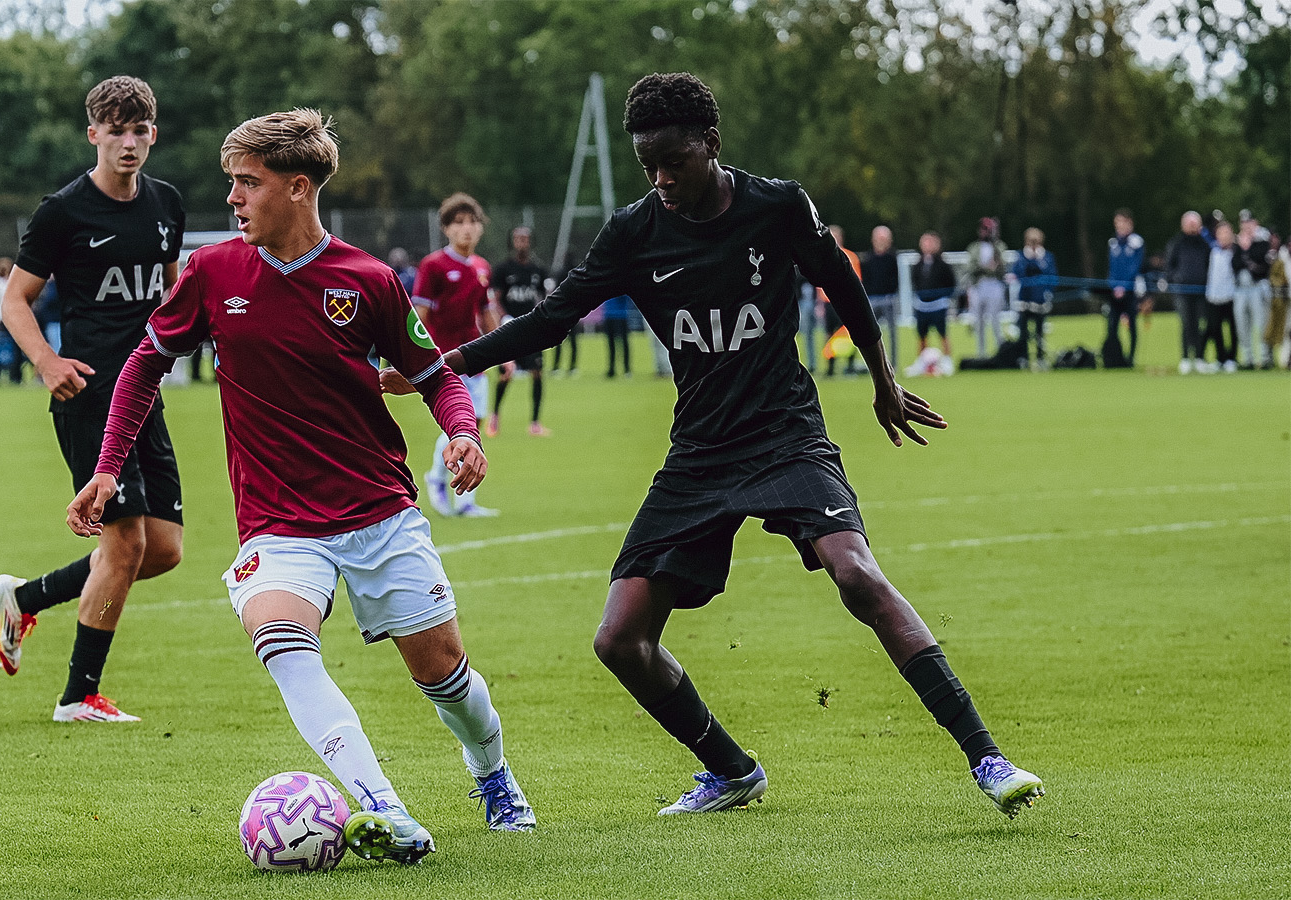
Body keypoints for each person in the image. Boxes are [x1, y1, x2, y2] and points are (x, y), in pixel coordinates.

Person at [387, 73, 1041, 819]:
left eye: (674, 162)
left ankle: (988, 757)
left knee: (856, 573)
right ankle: (730, 771)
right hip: (699, 451)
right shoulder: (635, 231)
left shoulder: (777, 205)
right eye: (648, 167)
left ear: (712, 145)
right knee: (620, 640)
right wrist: (445, 367)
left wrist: (883, 381)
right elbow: (553, 316)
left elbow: (843, 287)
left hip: (784, 432)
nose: (661, 180)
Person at [69, 108, 535, 863]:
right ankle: (385, 808)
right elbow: (145, 363)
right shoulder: (214, 273)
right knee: (283, 642)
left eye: (246, 183)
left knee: (445, 677)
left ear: (296, 187)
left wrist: (463, 432)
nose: (233, 199)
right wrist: (108, 465)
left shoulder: (368, 281)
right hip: (278, 525)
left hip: (379, 515)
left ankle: (494, 776)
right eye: (231, 184)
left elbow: (433, 375)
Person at [0, 75, 187, 723]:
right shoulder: (63, 212)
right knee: (125, 543)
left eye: (139, 131)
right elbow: (16, 301)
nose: (128, 143)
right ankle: (79, 695)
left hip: (145, 393)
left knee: (162, 549)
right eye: (115, 130)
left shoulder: (166, 205)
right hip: (90, 395)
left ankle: (25, 599)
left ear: (153, 135)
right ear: (93, 133)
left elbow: (172, 293)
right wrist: (45, 362)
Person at [412, 193, 499, 517]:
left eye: (472, 222)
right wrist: (415, 356)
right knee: (460, 427)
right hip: (445, 360)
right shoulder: (433, 265)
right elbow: (420, 314)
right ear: (446, 229)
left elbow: (486, 312)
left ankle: (456, 493)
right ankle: (444, 484)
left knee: (471, 426)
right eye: (458, 222)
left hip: (475, 358)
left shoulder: (481, 267)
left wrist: (506, 354)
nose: (467, 229)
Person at [489, 225, 553, 436]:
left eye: (525, 239)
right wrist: (504, 318)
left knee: (537, 373)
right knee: (506, 374)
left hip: (531, 330)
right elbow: (496, 300)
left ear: (530, 242)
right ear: (512, 242)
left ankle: (535, 423)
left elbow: (544, 298)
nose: (522, 242)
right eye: (518, 238)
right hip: (510, 329)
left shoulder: (538, 270)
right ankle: (494, 417)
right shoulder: (503, 269)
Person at [1163, 211, 1212, 373]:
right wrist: (1176, 278)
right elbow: (1169, 267)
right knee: (1186, 324)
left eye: (1194, 223)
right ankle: (1185, 358)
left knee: (1199, 324)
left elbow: (1209, 266)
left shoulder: (1205, 244)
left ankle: (1199, 357)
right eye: (1189, 223)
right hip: (1182, 291)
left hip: (1200, 291)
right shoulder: (1176, 243)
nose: (1192, 227)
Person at [816, 224, 863, 376]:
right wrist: (820, 303)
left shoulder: (850, 256)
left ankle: (849, 365)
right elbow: (818, 282)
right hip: (828, 302)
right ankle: (830, 366)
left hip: (845, 301)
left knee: (848, 333)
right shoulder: (822, 256)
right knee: (828, 334)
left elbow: (857, 281)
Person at [1010, 227, 1056, 368]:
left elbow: (1052, 277)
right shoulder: (1021, 256)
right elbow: (1015, 274)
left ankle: (1040, 357)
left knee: (1040, 331)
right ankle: (1023, 358)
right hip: (1024, 300)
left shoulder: (1047, 257)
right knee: (1023, 332)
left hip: (1040, 300)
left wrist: (1048, 294)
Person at [910, 231, 956, 372]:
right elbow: (915, 282)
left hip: (938, 304)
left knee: (942, 333)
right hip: (922, 305)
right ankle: (921, 361)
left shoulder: (943, 264)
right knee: (921, 335)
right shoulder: (918, 264)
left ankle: (947, 360)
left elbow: (951, 283)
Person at [1201, 221, 1243, 373]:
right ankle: (1221, 358)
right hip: (1213, 295)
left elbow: (1239, 267)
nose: (1224, 236)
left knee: (1232, 329)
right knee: (1215, 328)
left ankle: (1232, 358)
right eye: (1221, 233)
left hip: (1232, 295)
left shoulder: (1236, 251)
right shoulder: (1212, 250)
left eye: (1226, 233)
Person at [965, 217, 1008, 358]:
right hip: (979, 285)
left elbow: (1002, 267)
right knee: (979, 321)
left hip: (994, 285)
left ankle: (1000, 351)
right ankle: (981, 353)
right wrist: (984, 269)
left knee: (996, 319)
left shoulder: (999, 247)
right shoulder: (975, 247)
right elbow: (971, 267)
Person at [1106, 209, 1145, 365]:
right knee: (1112, 325)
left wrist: (1123, 286)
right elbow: (1112, 267)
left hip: (1130, 290)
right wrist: (1114, 286)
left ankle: (1131, 358)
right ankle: (1114, 357)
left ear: (1130, 223)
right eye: (1117, 223)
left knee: (1132, 325)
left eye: (1122, 222)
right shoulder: (1113, 243)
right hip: (1114, 292)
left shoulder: (1137, 242)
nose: (1119, 226)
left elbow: (1135, 266)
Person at [859, 225, 900, 370]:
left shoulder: (892, 258)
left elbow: (895, 279)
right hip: (872, 300)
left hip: (889, 299)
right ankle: (873, 364)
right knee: (869, 333)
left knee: (892, 334)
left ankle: (893, 363)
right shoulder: (867, 259)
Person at [1235, 210, 1272, 369]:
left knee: (1261, 324)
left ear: (1254, 223)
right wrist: (1243, 249)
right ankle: (1248, 358)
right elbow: (1235, 264)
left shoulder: (1262, 241)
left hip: (1257, 287)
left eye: (1249, 223)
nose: (1246, 226)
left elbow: (1262, 264)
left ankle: (1265, 358)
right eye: (1243, 223)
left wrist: (1247, 249)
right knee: (1242, 325)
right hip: (1241, 289)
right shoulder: (1237, 242)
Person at [0, 257, 24, 385]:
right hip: (3, 318)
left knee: (14, 348)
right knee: (5, 348)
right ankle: (1, 376)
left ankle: (14, 376)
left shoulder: (3, 282)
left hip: (10, 317)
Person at [1269, 233, 1289, 368]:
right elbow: (1274, 277)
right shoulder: (1282, 258)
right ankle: (1284, 359)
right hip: (1284, 300)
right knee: (1286, 330)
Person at [601, 294, 633, 377]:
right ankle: (611, 369)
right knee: (610, 343)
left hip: (621, 315)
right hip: (608, 315)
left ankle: (627, 368)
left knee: (624, 343)